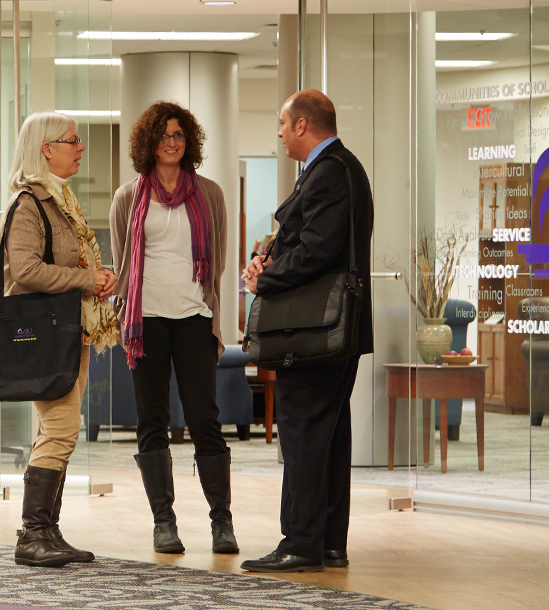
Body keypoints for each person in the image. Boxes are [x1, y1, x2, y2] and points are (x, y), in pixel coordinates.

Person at [240, 89, 373, 573]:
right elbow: (311, 240)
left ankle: (299, 544)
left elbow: (318, 249)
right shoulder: (337, 169)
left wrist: (264, 277)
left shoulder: (329, 172)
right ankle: (327, 543)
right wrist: (271, 254)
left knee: (302, 432)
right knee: (328, 435)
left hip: (316, 331)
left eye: (281, 124)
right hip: (333, 330)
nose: (278, 133)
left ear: (302, 125)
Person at [109, 101, 236, 556]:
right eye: (164, 136)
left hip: (195, 318)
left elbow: (217, 263)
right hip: (147, 322)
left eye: (180, 135)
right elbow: (124, 262)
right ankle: (164, 521)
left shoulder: (210, 194)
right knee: (152, 421)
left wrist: (207, 305)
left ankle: (222, 521)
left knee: (205, 420)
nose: (172, 142)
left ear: (190, 143)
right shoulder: (128, 197)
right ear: (149, 143)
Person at [4, 111, 121, 568]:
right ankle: (33, 534)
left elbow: (69, 261)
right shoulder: (29, 203)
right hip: (47, 333)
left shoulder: (59, 199)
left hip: (71, 329)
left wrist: (96, 277)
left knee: (56, 430)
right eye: (72, 140)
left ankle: (46, 532)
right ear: (46, 149)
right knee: (60, 428)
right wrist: (85, 278)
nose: (81, 147)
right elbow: (26, 270)